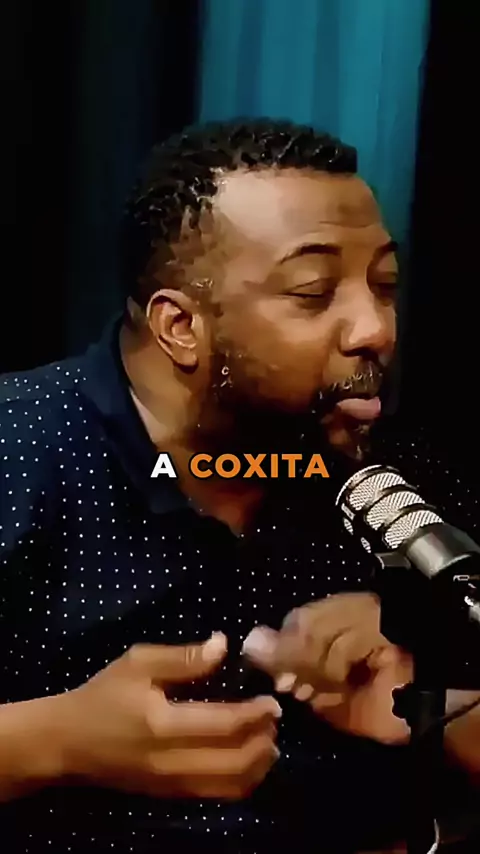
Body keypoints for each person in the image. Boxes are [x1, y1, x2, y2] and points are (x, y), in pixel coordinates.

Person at [0, 119, 478, 853]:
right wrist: (49, 741)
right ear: (179, 326)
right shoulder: (19, 448)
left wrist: (429, 693)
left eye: (385, 285)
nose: (375, 329)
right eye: (314, 292)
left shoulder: (396, 479)